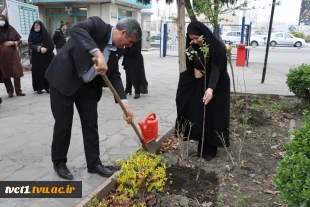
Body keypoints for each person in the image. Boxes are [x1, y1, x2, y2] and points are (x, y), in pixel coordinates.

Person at [45, 17, 141, 180]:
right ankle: (59, 162)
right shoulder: (98, 26)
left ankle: (94, 163)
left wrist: (125, 104)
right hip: (64, 80)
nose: (129, 46)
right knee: (63, 125)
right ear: (123, 32)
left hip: (88, 87)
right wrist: (97, 53)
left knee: (91, 125)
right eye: (130, 41)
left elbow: (115, 76)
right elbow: (76, 29)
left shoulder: (118, 50)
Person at [175, 21, 230, 161]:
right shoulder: (193, 47)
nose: (194, 41)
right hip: (203, 83)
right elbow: (191, 62)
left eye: (196, 37)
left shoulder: (217, 46)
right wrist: (194, 69)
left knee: (214, 115)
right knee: (202, 113)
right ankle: (202, 145)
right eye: (192, 38)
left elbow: (216, 69)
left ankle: (211, 149)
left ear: (203, 34)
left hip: (218, 85)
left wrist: (211, 89)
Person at [0, 14, 26, 98]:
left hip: (13, 54)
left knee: (16, 72)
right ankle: (10, 91)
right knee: (5, 72)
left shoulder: (11, 29)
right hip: (2, 56)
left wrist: (13, 42)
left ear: (5, 20)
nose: (1, 21)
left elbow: (19, 41)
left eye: (2, 19)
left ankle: (18, 91)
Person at [28, 20, 54, 94]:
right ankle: (38, 88)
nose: (36, 27)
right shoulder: (32, 35)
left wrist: (46, 49)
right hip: (37, 56)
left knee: (47, 71)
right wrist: (39, 48)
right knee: (38, 72)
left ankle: (47, 87)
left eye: (38, 25)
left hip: (46, 55)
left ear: (41, 26)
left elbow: (51, 44)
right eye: (35, 25)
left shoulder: (45, 34)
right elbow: (30, 44)